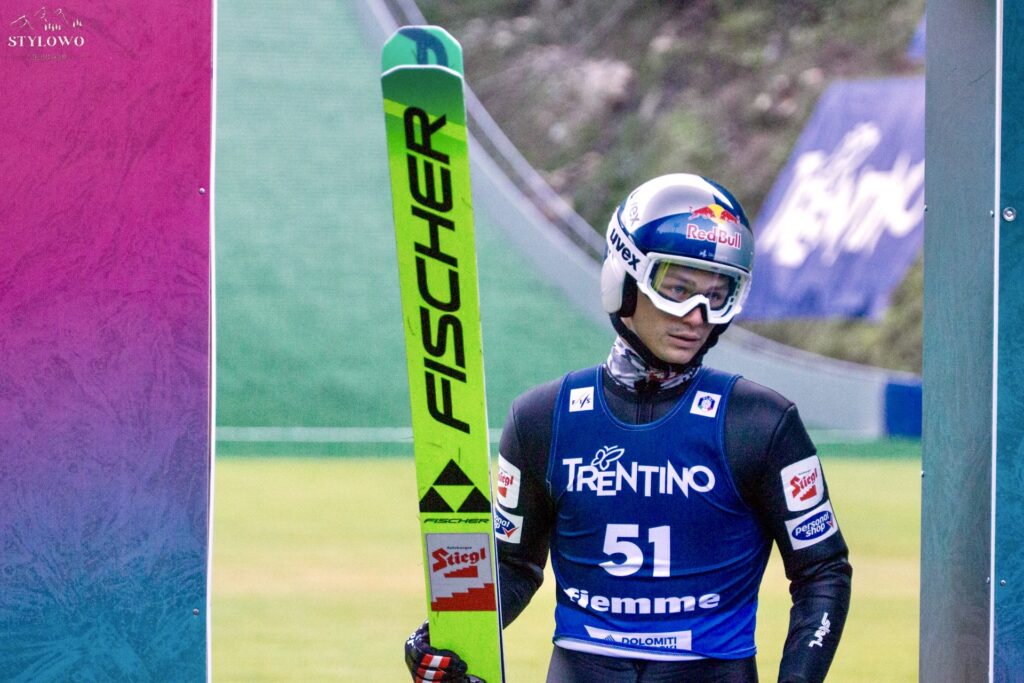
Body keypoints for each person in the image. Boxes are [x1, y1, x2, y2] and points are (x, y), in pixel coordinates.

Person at [405, 174, 852, 682]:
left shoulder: (761, 424)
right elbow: (513, 565)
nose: (698, 316)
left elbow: (822, 571)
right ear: (624, 279)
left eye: (717, 295)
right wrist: (445, 637)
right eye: (678, 289)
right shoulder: (541, 420)